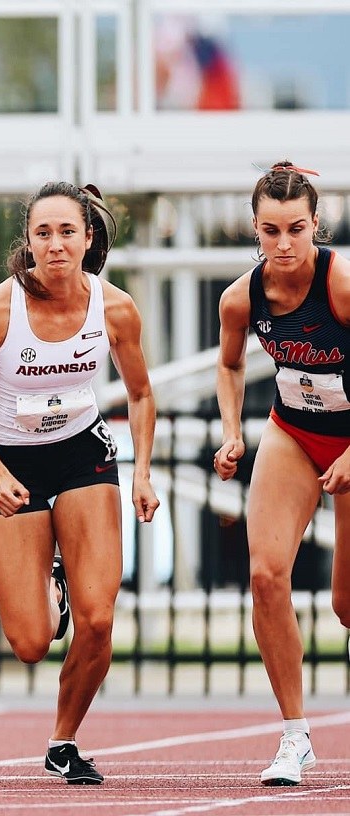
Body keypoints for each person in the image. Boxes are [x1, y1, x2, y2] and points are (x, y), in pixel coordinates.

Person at [0, 181, 159, 785]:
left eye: (67, 231)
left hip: (81, 455)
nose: (56, 244)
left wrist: (142, 474)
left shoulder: (115, 309)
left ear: (88, 238)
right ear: (29, 241)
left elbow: (141, 394)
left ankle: (63, 740)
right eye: (43, 233)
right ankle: (54, 582)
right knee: (31, 643)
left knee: (98, 619)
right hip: (11, 462)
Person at [213, 162, 350, 786]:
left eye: (296, 228)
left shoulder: (340, 284)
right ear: (255, 229)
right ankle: (295, 736)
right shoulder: (240, 298)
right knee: (266, 576)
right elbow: (230, 365)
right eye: (271, 231)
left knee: (346, 605)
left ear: (316, 224)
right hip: (293, 432)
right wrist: (233, 431)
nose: (285, 243)